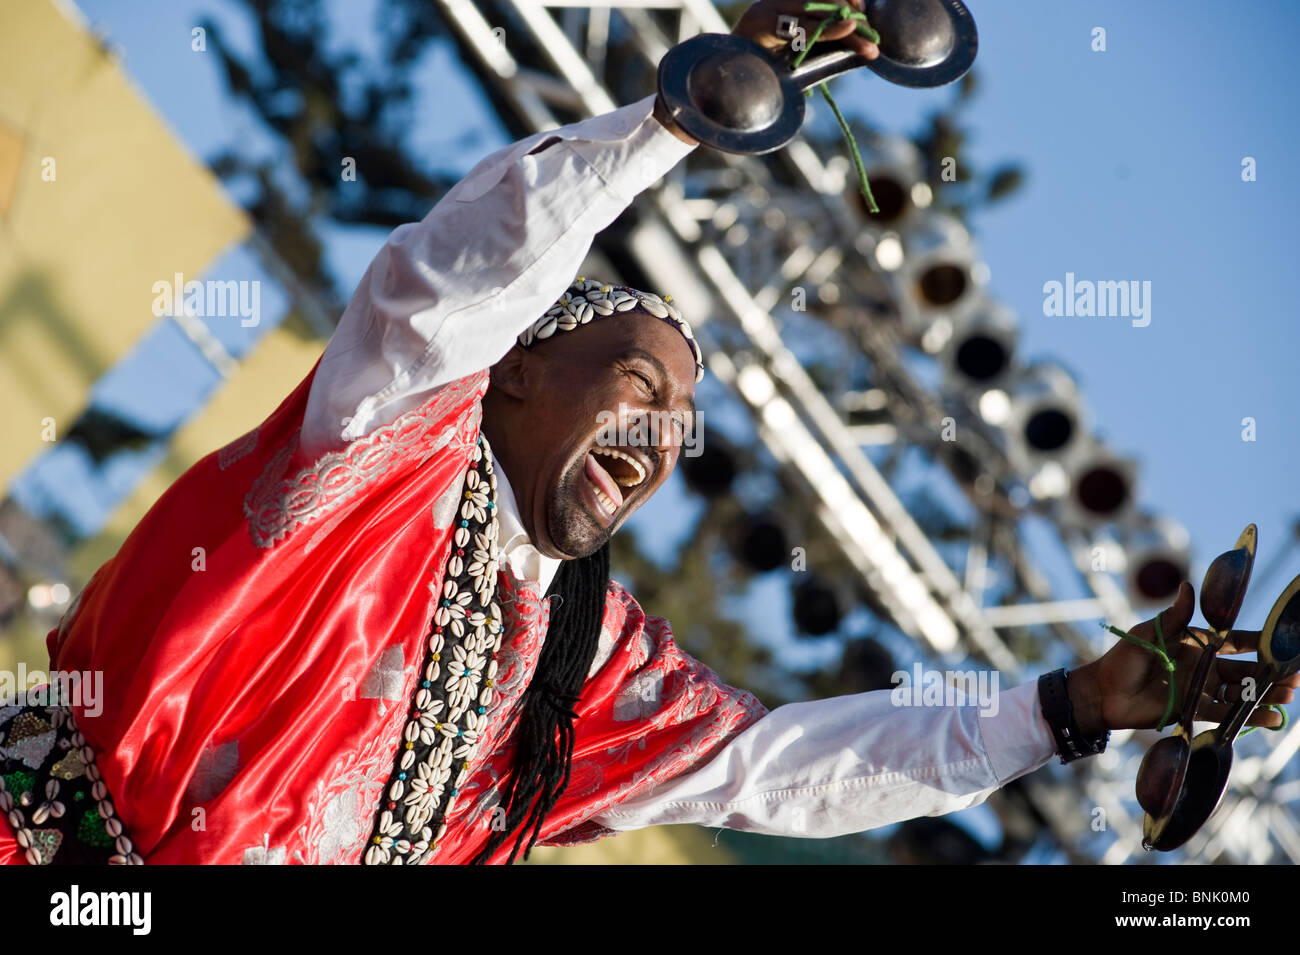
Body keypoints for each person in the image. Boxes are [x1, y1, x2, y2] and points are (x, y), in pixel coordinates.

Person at [0, 0, 1292, 866]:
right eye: (633, 380)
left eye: (685, 427)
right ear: (505, 384)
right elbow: (453, 281)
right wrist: (670, 122)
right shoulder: (384, 451)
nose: (665, 435)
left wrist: (1061, 710)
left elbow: (782, 773)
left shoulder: (585, 668)